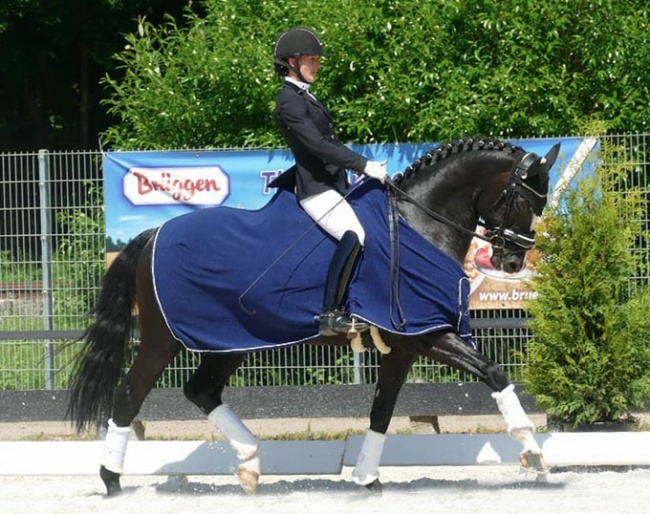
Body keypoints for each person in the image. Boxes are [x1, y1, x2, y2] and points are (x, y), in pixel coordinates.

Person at [273, 27, 388, 336]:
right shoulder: (288, 101)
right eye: (312, 59)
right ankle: (331, 314)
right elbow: (318, 145)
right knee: (355, 234)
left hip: (333, 185)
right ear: (291, 61)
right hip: (316, 189)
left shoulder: (303, 97)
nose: (317, 65)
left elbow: (329, 143)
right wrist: (364, 165)